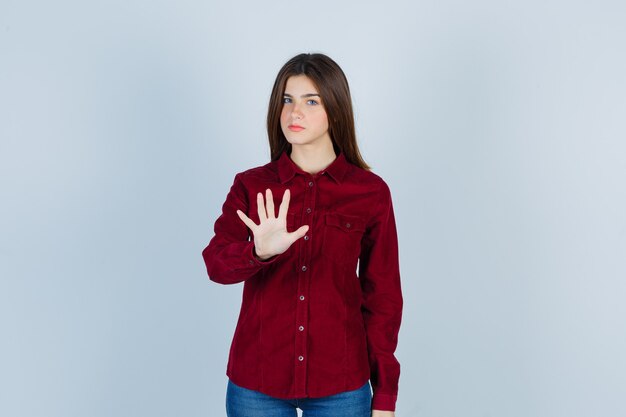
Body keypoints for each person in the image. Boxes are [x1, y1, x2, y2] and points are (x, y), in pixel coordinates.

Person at [201, 52, 403, 417]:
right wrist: (257, 253)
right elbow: (215, 264)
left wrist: (385, 393)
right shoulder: (251, 185)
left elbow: (384, 297)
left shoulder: (370, 193)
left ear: (336, 111)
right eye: (287, 100)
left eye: (312, 101)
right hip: (257, 383)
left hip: (340, 384)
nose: (295, 113)